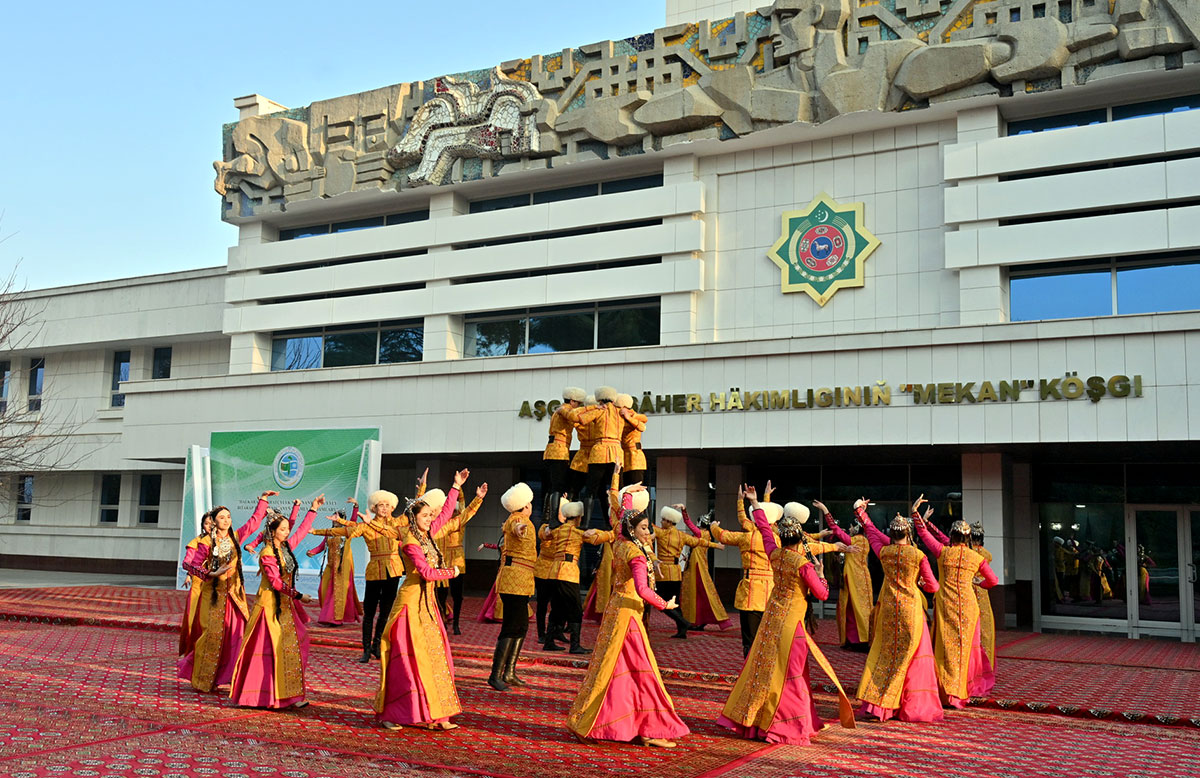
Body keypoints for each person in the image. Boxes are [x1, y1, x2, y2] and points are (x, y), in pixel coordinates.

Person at [717, 486, 855, 745]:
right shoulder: (803, 564)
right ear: (800, 538)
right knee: (792, 675)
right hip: (792, 625)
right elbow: (822, 594)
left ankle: (760, 721)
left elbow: (765, 531)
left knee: (768, 670)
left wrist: (756, 504)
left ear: (781, 538)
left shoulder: (775, 554)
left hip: (771, 620)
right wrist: (822, 575)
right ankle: (787, 724)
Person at [357, 470, 473, 731]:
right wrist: (452, 572)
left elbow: (445, 514)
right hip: (410, 604)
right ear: (413, 518)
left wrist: (455, 486)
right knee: (406, 660)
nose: (430, 519)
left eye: (430, 515)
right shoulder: (410, 542)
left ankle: (437, 714)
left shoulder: (427, 533)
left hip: (428, 604)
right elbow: (426, 573)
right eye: (425, 516)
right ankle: (393, 713)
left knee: (435, 656)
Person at [566, 508, 689, 748]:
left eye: (648, 528)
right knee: (642, 672)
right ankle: (646, 728)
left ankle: (615, 724)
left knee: (615, 670)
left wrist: (627, 492)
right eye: (643, 528)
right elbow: (642, 590)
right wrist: (665, 604)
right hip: (628, 617)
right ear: (632, 530)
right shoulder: (635, 553)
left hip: (617, 610)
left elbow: (623, 515)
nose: (648, 532)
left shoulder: (621, 544)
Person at [228, 495, 323, 709]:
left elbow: (301, 531)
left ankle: (290, 694)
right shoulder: (267, 552)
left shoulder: (285, 547)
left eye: (287, 529)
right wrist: (299, 596)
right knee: (271, 650)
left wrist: (313, 509)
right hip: (269, 607)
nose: (287, 532)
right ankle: (264, 696)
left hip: (285, 606)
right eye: (282, 530)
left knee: (297, 642)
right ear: (272, 532)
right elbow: (275, 583)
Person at [854, 499, 943, 723]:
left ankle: (879, 704)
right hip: (910, 610)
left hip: (888, 610)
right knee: (910, 659)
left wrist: (860, 512)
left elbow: (872, 533)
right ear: (908, 533)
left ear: (892, 534)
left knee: (886, 655)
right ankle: (906, 705)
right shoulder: (918, 556)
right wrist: (919, 583)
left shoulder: (884, 552)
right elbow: (933, 586)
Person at [177, 492, 275, 692]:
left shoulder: (235, 538)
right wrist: (211, 573)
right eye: (221, 517)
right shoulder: (205, 542)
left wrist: (263, 500)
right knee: (211, 637)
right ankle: (203, 679)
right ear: (214, 522)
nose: (226, 520)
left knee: (237, 635)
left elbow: (253, 523)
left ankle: (233, 676)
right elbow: (191, 565)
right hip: (213, 597)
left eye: (228, 517)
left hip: (234, 596)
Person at [912, 500, 998, 708]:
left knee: (946, 648)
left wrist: (916, 514)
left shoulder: (943, 552)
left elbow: (924, 535)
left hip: (946, 605)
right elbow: (993, 581)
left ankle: (946, 691)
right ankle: (962, 690)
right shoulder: (976, 557)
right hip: (969, 607)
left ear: (952, 536)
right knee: (965, 649)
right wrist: (979, 583)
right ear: (967, 539)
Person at [346, 472, 426, 662]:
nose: (384, 508)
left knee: (386, 612)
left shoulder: (398, 523)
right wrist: (316, 531)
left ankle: (377, 646)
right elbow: (348, 530)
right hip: (374, 571)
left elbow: (414, 508)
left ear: (392, 507)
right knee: (369, 612)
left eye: (387, 505)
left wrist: (421, 489)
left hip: (393, 570)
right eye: (380, 505)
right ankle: (366, 649)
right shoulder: (368, 524)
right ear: (374, 507)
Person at [710, 485, 781, 657]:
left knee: (750, 636)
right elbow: (762, 519)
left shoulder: (747, 537)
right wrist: (764, 500)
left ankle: (750, 662)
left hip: (751, 589)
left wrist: (713, 527)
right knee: (768, 634)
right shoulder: (777, 538)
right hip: (771, 590)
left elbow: (723, 536)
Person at [488, 482, 538, 692]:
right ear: (525, 505)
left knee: (521, 626)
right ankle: (495, 675)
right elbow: (516, 527)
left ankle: (509, 672)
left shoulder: (522, 520)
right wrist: (519, 529)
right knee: (511, 626)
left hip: (522, 580)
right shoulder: (517, 519)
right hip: (513, 581)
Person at [541, 498, 607, 653]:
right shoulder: (577, 532)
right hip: (568, 573)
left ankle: (549, 641)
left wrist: (546, 527)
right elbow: (598, 539)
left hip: (553, 571)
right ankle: (574, 645)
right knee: (576, 610)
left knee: (556, 608)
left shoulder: (557, 530)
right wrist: (605, 532)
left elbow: (543, 534)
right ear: (578, 517)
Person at [649, 505, 722, 638]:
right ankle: (682, 630)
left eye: (663, 519)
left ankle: (683, 622)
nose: (661, 521)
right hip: (677, 573)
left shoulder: (660, 532)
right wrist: (716, 545)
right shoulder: (682, 535)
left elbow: (649, 526)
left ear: (669, 522)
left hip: (663, 572)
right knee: (675, 602)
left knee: (660, 600)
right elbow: (699, 542)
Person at [583, 468, 643, 622]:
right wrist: (617, 476)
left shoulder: (620, 525)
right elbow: (616, 499)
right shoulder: (621, 524)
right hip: (620, 563)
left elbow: (617, 500)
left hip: (628, 562)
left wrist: (620, 480)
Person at [814, 499, 872, 650]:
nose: (850, 529)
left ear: (856, 530)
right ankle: (864, 639)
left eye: (852, 528)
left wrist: (825, 510)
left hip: (852, 578)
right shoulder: (866, 541)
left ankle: (855, 640)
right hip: (864, 579)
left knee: (850, 609)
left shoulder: (853, 541)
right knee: (863, 609)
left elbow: (835, 528)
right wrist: (862, 511)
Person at [434, 485, 486, 635]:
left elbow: (465, 508)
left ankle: (456, 623)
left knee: (457, 595)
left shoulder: (459, 521)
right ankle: (443, 620)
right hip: (442, 560)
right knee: (441, 594)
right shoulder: (440, 523)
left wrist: (460, 488)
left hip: (457, 561)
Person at [306, 500, 364, 627]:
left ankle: (335, 618)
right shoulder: (329, 533)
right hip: (331, 565)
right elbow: (322, 546)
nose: (335, 520)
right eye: (334, 517)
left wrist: (356, 506)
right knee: (323, 588)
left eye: (337, 518)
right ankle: (329, 615)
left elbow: (353, 521)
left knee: (338, 590)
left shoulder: (347, 531)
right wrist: (312, 552)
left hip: (342, 566)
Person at [679, 508, 732, 631]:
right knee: (702, 593)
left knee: (695, 593)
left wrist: (684, 511)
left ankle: (694, 620)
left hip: (696, 566)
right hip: (699, 564)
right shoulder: (707, 534)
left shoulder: (699, 533)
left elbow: (688, 522)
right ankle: (697, 620)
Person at [179, 509, 216, 658]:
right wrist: (191, 573)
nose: (209, 526)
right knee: (194, 616)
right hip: (199, 583)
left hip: (217, 584)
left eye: (212, 523)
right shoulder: (196, 542)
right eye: (206, 523)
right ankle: (192, 648)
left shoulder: (223, 542)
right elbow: (188, 562)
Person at [970, 522, 997, 693]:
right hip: (982, 592)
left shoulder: (968, 553)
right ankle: (986, 667)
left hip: (968, 591)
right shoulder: (986, 555)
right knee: (985, 630)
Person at [544, 387, 585, 499]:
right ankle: (555, 510)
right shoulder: (566, 410)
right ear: (572, 401)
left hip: (553, 450)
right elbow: (575, 418)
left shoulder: (561, 409)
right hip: (559, 451)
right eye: (578, 403)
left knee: (554, 485)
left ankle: (550, 509)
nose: (578, 406)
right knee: (558, 486)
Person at [614, 393, 648, 487]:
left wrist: (628, 417)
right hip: (623, 457)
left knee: (636, 487)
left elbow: (642, 426)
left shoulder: (635, 416)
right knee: (622, 489)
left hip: (635, 456)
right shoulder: (617, 419)